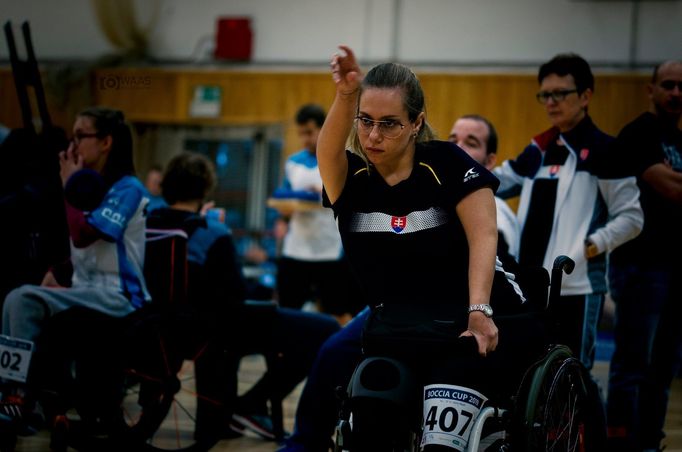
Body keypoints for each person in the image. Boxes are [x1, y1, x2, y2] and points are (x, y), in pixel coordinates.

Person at [309, 45, 542, 452]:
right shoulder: (353, 177)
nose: (374, 135)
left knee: (442, 439)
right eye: (366, 121)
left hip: (477, 311)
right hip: (402, 323)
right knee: (367, 424)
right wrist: (346, 94)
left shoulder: (448, 163)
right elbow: (326, 152)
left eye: (389, 124)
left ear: (416, 123)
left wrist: (479, 309)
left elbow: (484, 236)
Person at [278, 111, 524, 452]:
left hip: (466, 305)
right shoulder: (414, 181)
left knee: (445, 367)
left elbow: (489, 253)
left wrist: (478, 308)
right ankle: (304, 442)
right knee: (335, 350)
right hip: (406, 307)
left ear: (491, 160)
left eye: (472, 142)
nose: (457, 146)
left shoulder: (489, 205)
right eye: (454, 138)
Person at [147, 152, 340, 443]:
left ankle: (241, 409)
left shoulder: (148, 224)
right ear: (204, 189)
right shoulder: (212, 230)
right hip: (221, 327)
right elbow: (235, 292)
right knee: (324, 330)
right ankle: (250, 404)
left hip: (165, 325)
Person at [0, 107, 150, 431]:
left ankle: (19, 400)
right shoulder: (92, 185)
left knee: (24, 298)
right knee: (16, 297)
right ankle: (20, 397)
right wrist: (60, 269)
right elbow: (90, 253)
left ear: (106, 142)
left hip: (120, 297)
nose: (72, 145)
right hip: (86, 290)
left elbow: (83, 236)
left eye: (81, 135)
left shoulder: (128, 188)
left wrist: (69, 185)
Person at [493, 53, 644, 371]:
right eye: (545, 95)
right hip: (532, 283)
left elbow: (632, 218)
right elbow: (496, 182)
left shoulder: (607, 151)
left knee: (574, 373)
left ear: (585, 96)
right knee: (529, 369)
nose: (551, 102)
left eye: (560, 93)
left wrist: (592, 246)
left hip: (577, 287)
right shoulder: (540, 149)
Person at [606, 60, 682, 452]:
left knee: (664, 363)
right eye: (667, 85)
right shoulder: (640, 133)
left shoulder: (676, 139)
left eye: (681, 87)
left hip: (672, 267)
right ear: (650, 90)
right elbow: (672, 189)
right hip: (640, 265)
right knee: (633, 362)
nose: (675, 93)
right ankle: (620, 442)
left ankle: (650, 441)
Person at [275, 104, 363, 322]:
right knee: (287, 309)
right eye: (301, 133)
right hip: (296, 248)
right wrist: (282, 217)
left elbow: (352, 201)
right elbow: (286, 197)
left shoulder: (339, 159)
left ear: (323, 129)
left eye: (309, 132)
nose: (305, 138)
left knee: (337, 310)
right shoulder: (293, 162)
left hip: (329, 248)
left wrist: (324, 192)